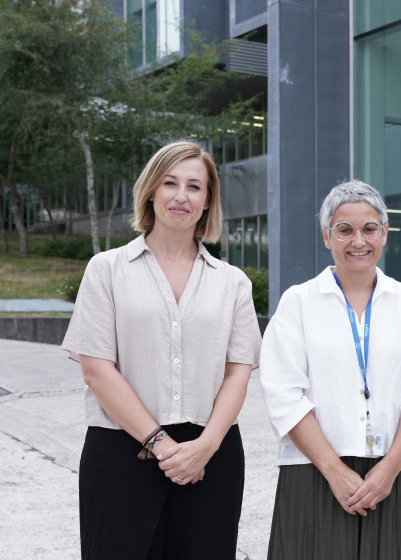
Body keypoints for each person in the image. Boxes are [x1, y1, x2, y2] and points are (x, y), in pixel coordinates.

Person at [61, 141, 262, 559]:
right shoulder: (107, 269)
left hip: (211, 454)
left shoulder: (233, 282)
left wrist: (204, 447)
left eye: (194, 186)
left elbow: (238, 373)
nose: (180, 195)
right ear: (151, 191)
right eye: (170, 182)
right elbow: (97, 369)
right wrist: (163, 446)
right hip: (122, 448)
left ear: (207, 202)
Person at [259, 179, 401, 560]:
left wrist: (390, 468)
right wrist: (334, 471)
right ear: (327, 237)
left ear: (385, 233)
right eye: (344, 230)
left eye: (369, 229)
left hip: (395, 472)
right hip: (314, 471)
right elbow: (283, 393)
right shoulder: (298, 302)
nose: (358, 241)